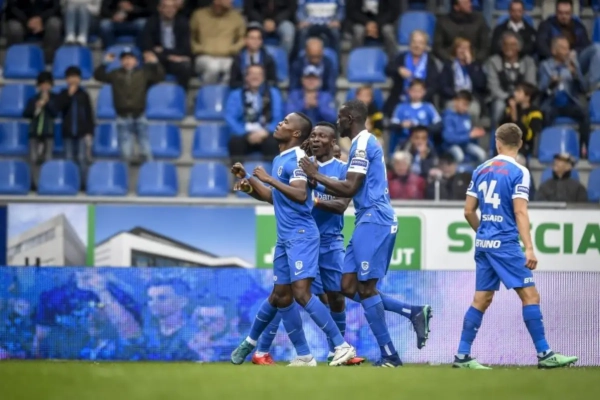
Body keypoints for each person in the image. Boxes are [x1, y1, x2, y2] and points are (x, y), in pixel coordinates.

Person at [299, 100, 432, 367]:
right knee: (347, 286)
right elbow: (348, 186)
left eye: (340, 118)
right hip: (365, 218)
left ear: (350, 118)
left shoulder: (362, 144)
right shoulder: (360, 144)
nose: (337, 123)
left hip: (376, 217)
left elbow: (349, 188)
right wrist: (317, 178)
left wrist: (316, 175)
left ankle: (390, 355)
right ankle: (413, 312)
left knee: (367, 289)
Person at [229, 113, 357, 367]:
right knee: (282, 296)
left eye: (286, 122)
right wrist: (248, 181)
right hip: (285, 237)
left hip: (301, 235)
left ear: (296, 133)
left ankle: (341, 346)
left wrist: (268, 179)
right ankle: (304, 356)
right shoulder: (280, 158)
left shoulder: (298, 159)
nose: (280, 123)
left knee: (302, 293)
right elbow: (274, 197)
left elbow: (300, 195)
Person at [453, 123, 578, 369]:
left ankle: (462, 355)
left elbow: (468, 211)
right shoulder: (519, 171)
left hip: (484, 244)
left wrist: (484, 233)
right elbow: (520, 212)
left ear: (497, 142)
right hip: (505, 244)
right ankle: (545, 354)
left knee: (482, 298)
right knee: (530, 295)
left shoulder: (480, 169)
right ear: (520, 144)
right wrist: (529, 247)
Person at [94, 48, 165, 163]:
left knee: (146, 150)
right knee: (125, 152)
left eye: (130, 58)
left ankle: (150, 172)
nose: (127, 61)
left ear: (136, 61)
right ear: (121, 61)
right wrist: (104, 63)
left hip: (140, 115)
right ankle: (126, 173)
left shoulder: (143, 73)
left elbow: (160, 77)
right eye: (124, 59)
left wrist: (155, 63)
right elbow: (98, 76)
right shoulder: (115, 74)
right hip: (122, 117)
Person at [225, 65, 283, 163]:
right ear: (246, 77)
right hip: (244, 133)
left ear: (263, 77)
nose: (255, 77)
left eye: (259, 74)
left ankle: (272, 172)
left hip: (266, 133)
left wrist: (266, 131)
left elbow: (278, 117)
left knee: (272, 143)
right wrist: (245, 133)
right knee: (235, 143)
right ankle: (237, 173)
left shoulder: (273, 93)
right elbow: (230, 118)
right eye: (252, 74)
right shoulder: (236, 94)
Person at [486, 31, 537, 129]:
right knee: (499, 106)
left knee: (531, 106)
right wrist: (508, 98)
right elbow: (493, 86)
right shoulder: (493, 61)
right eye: (505, 44)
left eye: (513, 45)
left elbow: (530, 85)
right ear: (501, 47)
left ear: (519, 47)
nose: (509, 47)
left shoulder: (528, 62)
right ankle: (495, 133)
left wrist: (519, 98)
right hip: (501, 98)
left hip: (522, 97)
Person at [56, 66, 95, 189]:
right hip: (67, 133)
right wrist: (69, 95)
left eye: (75, 77)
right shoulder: (63, 94)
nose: (73, 79)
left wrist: (90, 132)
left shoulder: (84, 95)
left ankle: (83, 185)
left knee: (82, 158)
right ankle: (70, 184)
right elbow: (58, 108)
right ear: (66, 79)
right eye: (70, 77)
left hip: (82, 133)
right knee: (69, 158)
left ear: (79, 79)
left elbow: (89, 114)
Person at [385, 30, 440, 116]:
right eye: (414, 42)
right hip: (400, 99)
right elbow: (388, 69)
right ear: (409, 43)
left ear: (425, 46)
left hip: (423, 101)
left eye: (420, 43)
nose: (417, 46)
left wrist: (418, 96)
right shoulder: (401, 57)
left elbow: (434, 85)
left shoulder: (430, 61)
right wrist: (398, 70)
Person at [141, 0, 193, 90]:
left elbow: (185, 49)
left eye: (173, 7)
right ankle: (151, 94)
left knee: (186, 66)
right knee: (150, 63)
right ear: (160, 8)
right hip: (159, 59)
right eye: (167, 7)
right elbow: (147, 46)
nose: (170, 10)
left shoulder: (183, 23)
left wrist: (163, 51)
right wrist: (168, 56)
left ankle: (182, 94)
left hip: (176, 60)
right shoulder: (152, 22)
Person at [190, 0, 246, 84]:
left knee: (233, 68)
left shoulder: (237, 17)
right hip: (204, 57)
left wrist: (232, 49)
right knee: (213, 67)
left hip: (227, 57)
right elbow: (190, 36)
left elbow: (242, 38)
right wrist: (199, 48)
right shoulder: (199, 15)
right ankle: (207, 90)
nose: (231, 1)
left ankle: (222, 90)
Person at [23, 72, 58, 190]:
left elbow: (55, 113)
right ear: (38, 85)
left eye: (47, 84)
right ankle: (36, 184)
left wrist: (47, 103)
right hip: (34, 133)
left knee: (48, 159)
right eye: (42, 84)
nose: (45, 86)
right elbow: (26, 114)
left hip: (48, 133)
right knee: (33, 159)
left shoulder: (54, 98)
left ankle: (47, 184)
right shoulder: (33, 99)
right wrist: (36, 106)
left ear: (51, 85)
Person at [390, 79, 441, 155]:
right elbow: (392, 124)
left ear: (424, 92)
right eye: (414, 90)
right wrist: (402, 125)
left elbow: (438, 124)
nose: (416, 93)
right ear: (408, 91)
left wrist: (423, 129)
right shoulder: (401, 107)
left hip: (425, 143)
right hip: (405, 142)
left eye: (419, 91)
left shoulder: (428, 107)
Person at [442, 90, 487, 164]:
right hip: (451, 146)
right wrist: (469, 135)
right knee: (460, 156)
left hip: (465, 145)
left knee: (482, 154)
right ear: (455, 101)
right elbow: (449, 138)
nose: (466, 108)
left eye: (468, 105)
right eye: (464, 104)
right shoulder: (448, 117)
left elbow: (468, 132)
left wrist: (476, 133)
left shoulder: (466, 116)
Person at [500, 82, 542, 158]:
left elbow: (529, 136)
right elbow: (501, 127)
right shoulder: (511, 109)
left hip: (525, 149)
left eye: (519, 92)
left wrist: (515, 117)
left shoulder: (535, 113)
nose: (515, 94)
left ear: (527, 97)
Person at [229, 23, 278, 89]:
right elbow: (233, 82)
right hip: (243, 91)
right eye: (252, 38)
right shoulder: (238, 59)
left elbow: (272, 81)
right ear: (245, 40)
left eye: (258, 38)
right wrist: (248, 86)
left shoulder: (268, 60)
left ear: (261, 41)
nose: (255, 41)